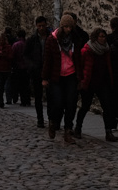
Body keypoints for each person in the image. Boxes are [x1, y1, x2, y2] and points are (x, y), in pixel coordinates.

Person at [42, 14, 82, 143]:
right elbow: (48, 60)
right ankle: (53, 122)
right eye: (66, 27)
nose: (68, 29)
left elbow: (78, 59)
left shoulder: (75, 39)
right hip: (57, 76)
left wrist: (80, 77)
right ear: (62, 27)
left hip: (71, 75)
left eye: (70, 27)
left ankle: (68, 130)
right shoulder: (52, 40)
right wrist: (45, 78)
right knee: (58, 103)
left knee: (71, 104)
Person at [77, 27, 118, 142]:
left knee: (107, 107)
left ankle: (108, 132)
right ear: (96, 38)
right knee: (85, 106)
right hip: (89, 82)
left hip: (102, 82)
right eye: (101, 37)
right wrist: (80, 81)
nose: (103, 39)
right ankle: (78, 128)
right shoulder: (87, 50)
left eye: (104, 37)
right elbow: (80, 66)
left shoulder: (106, 50)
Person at [24, 16, 50, 128]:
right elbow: (26, 55)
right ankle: (40, 119)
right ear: (36, 26)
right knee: (38, 97)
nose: (41, 28)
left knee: (51, 97)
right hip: (36, 71)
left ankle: (51, 119)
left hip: (48, 71)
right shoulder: (32, 40)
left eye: (43, 26)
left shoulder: (51, 38)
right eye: (39, 26)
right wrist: (32, 66)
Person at [11, 28, 31, 107]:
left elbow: (13, 56)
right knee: (27, 84)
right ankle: (28, 99)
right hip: (27, 67)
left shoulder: (16, 45)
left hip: (18, 67)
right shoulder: (27, 44)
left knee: (20, 85)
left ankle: (23, 101)